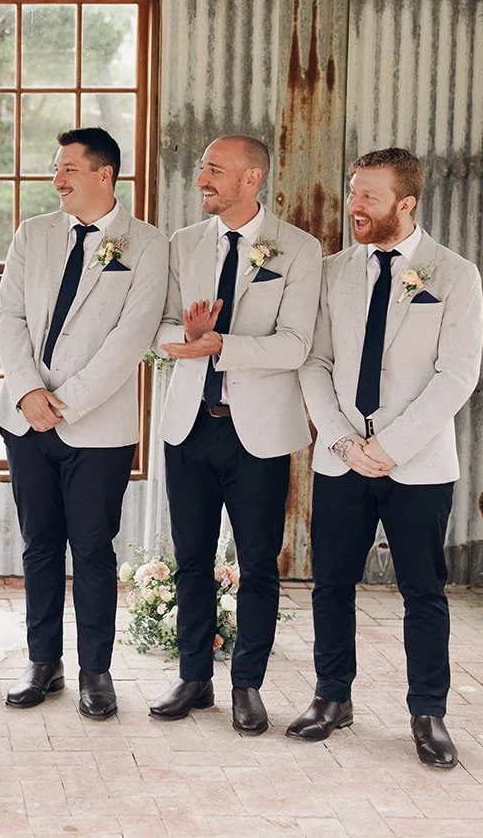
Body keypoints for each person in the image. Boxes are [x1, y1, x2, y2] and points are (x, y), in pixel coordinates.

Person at [291, 147, 483, 769]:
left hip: (418, 465)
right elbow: (315, 361)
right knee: (331, 585)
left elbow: (456, 376)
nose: (355, 205)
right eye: (353, 192)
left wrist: (391, 446)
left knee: (423, 591)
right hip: (342, 460)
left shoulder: (454, 274)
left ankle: (428, 713)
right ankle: (332, 697)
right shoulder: (332, 272)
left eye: (369, 196)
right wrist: (343, 441)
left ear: (406, 204)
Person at [0, 127, 168, 720]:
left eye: (68, 168)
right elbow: (9, 316)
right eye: (55, 168)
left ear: (104, 174)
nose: (57, 179)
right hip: (25, 421)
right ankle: (43, 662)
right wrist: (27, 393)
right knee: (39, 545)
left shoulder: (147, 244)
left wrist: (63, 403)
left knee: (92, 549)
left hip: (97, 429)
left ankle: (97, 671)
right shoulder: (33, 233)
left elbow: (131, 338)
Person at [149, 135, 322, 735]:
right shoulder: (183, 243)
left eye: (215, 171)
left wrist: (220, 343)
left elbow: (296, 345)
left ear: (252, 179)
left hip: (259, 436)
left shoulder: (299, 249)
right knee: (191, 560)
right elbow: (161, 325)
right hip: (189, 426)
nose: (202, 180)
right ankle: (193, 677)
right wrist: (185, 335)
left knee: (257, 564)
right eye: (203, 169)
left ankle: (247, 685)